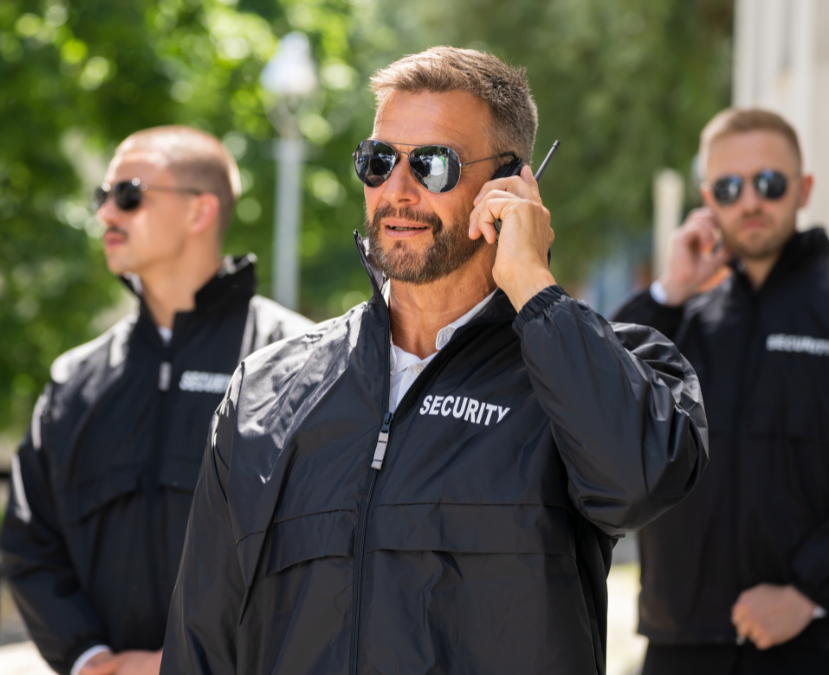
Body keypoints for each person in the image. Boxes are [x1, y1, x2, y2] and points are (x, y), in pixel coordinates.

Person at [161, 46, 709, 675]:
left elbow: (640, 483)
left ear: (511, 186)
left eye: (432, 164)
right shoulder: (265, 390)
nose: (397, 190)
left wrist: (533, 285)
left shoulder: (595, 366)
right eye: (378, 161)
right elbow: (200, 640)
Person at [0, 126, 312, 675]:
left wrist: (192, 661)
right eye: (102, 196)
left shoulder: (300, 362)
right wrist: (89, 659)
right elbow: (31, 542)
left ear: (199, 212)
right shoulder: (74, 380)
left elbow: (322, 549)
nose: (105, 214)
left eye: (128, 195)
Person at [614, 108, 829, 674]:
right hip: (679, 643)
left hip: (808, 642)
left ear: (804, 189)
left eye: (770, 183)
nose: (751, 202)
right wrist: (669, 289)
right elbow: (601, 401)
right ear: (709, 199)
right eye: (730, 188)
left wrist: (811, 592)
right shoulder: (682, 319)